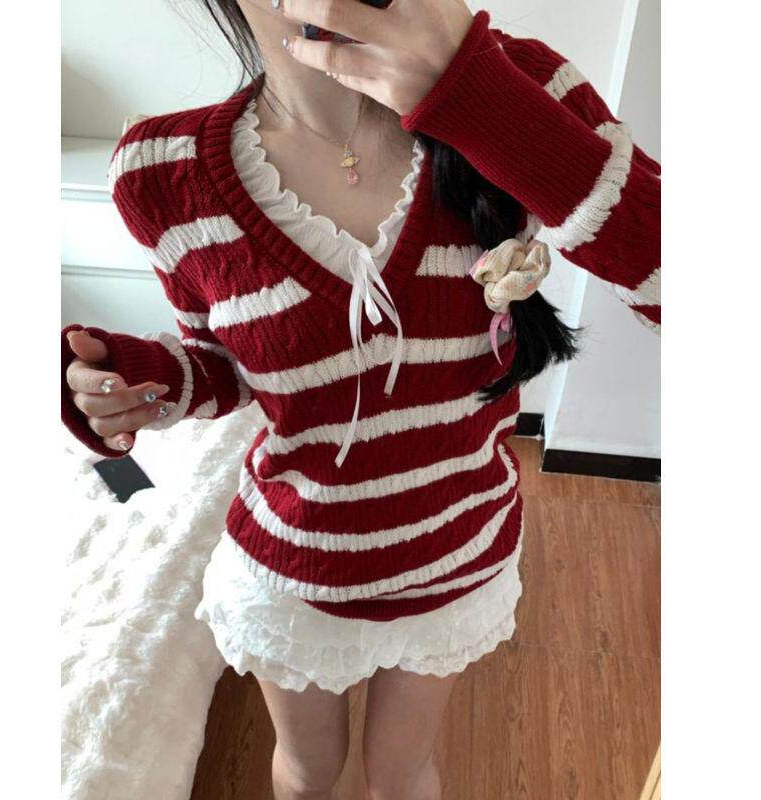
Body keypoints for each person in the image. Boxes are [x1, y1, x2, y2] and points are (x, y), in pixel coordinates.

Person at [61, 1, 660, 797]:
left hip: (456, 554)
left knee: (402, 774)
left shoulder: (523, 87)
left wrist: (480, 100)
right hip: (297, 570)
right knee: (308, 772)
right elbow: (224, 366)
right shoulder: (161, 171)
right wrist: (136, 381)